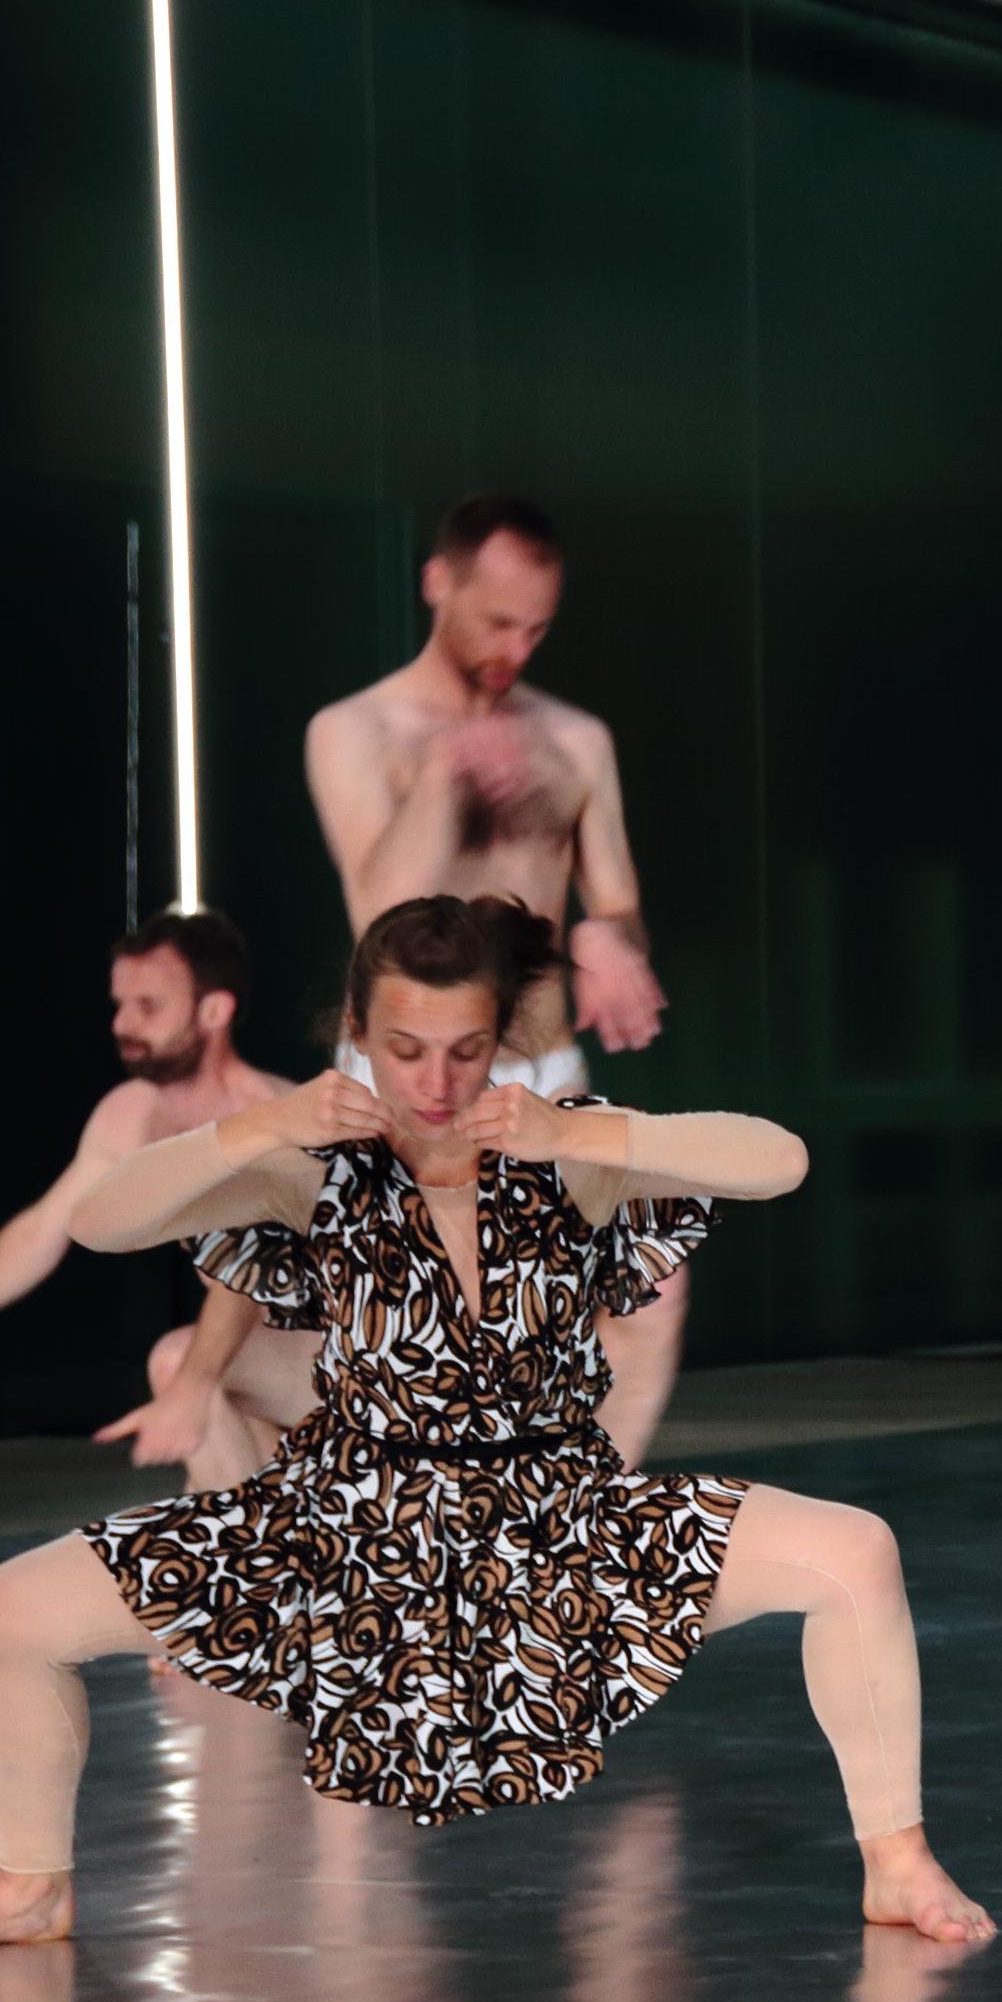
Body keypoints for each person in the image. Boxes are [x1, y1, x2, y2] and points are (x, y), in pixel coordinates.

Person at [0, 895, 990, 1966]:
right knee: (4, 1612)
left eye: (465, 1047)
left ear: (499, 1034)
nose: (437, 1081)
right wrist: (261, 1123)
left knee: (856, 1553)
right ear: (359, 1029)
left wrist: (586, 1133)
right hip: (346, 1521)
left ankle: (897, 1860)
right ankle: (31, 1883)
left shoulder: (566, 1148)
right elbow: (102, 1221)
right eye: (404, 1048)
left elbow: (778, 1159)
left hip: (558, 1519)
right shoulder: (314, 1163)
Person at [303, 494, 689, 1465]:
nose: (517, 645)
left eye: (537, 625)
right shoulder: (356, 729)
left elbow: (619, 898)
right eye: (496, 620)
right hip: (414, 1077)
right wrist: (445, 775)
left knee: (647, 1298)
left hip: (543, 1069)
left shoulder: (575, 739)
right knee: (418, 1335)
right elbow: (377, 919)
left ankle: (573, 1529)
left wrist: (611, 937)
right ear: (440, 585)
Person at [0, 910, 317, 1488]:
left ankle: (261, 1546)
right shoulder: (133, 1112)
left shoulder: (270, 1117)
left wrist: (192, 1384)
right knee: (204, 1433)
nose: (122, 1024)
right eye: (119, 1005)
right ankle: (257, 1548)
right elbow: (42, 1231)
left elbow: (244, 1281)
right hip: (251, 1368)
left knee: (179, 1364)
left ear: (214, 1011)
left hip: (348, 1366)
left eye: (149, 1007)